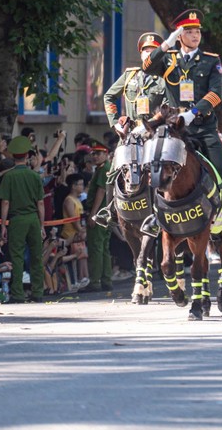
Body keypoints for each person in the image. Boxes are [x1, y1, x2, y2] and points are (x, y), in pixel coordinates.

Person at [142, 9, 222, 235]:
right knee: (155, 165)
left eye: (197, 32)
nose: (195, 36)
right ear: (180, 35)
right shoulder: (169, 59)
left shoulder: (210, 60)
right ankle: (154, 215)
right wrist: (166, 44)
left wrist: (192, 113)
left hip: (203, 127)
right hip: (175, 129)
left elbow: (216, 94)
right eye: (189, 32)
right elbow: (147, 67)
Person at [0, 136, 47, 303]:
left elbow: (5, 202)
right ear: (27, 156)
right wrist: (42, 225)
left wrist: (3, 225)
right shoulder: (34, 176)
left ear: (12, 156)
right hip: (33, 218)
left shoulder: (8, 177)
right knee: (36, 256)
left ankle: (17, 293)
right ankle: (38, 292)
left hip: (16, 220)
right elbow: (40, 203)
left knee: (17, 257)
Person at [104, 31, 168, 134]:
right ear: (141, 54)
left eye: (154, 52)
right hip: (131, 132)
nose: (149, 55)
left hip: (154, 132)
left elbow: (166, 108)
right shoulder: (130, 75)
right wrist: (115, 123)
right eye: (146, 51)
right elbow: (109, 97)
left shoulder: (165, 78)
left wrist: (147, 126)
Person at [82, 140, 112, 292]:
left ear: (106, 154)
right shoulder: (103, 168)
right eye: (93, 153)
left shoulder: (103, 169)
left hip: (99, 213)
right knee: (104, 248)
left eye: (98, 153)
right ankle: (106, 280)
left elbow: (101, 191)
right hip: (105, 213)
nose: (95, 156)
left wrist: (93, 214)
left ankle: (95, 281)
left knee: (96, 247)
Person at [60, 173, 90, 289]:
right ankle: (77, 280)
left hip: (79, 234)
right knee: (77, 257)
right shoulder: (69, 200)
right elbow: (73, 220)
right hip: (70, 235)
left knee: (83, 256)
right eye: (80, 184)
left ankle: (84, 277)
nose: (82, 186)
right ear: (73, 186)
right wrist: (81, 230)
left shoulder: (77, 199)